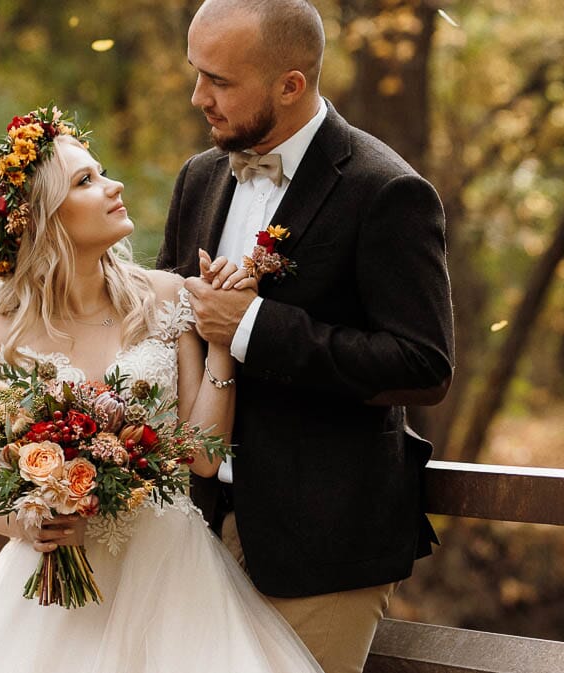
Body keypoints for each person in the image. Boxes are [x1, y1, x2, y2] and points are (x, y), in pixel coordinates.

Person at [0, 106, 324, 673]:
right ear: (42, 219)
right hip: (51, 590)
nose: (113, 185)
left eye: (100, 172)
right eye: (86, 181)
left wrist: (222, 343)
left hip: (172, 574)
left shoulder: (165, 298)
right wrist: (27, 520)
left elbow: (201, 457)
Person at [156, 1, 455, 671]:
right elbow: (167, 331)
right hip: (193, 531)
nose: (198, 97)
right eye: (195, 73)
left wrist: (256, 326)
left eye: (220, 81)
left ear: (290, 84)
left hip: (323, 545)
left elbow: (422, 364)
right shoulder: (198, 177)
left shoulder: (387, 191)